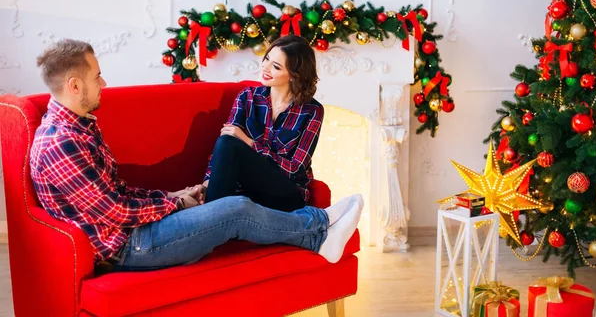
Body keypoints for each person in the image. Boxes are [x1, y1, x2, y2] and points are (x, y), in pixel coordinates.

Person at [29, 39, 362, 272]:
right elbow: (116, 211)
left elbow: (117, 193)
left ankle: (316, 232)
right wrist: (177, 204)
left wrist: (175, 195)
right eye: (95, 76)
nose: (103, 82)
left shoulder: (80, 128)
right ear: (74, 85)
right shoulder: (62, 142)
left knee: (233, 205)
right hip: (128, 248)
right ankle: (319, 230)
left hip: (136, 233)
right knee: (235, 208)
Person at [203, 35, 324, 212]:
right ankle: (209, 215)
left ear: (293, 75)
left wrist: (250, 143)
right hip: (249, 187)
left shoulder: (312, 111)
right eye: (267, 59)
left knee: (233, 143)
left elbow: (295, 168)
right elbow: (224, 147)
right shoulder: (248, 97)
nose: (265, 68)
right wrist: (207, 183)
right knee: (226, 142)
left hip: (287, 193)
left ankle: (206, 218)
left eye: (275, 66)